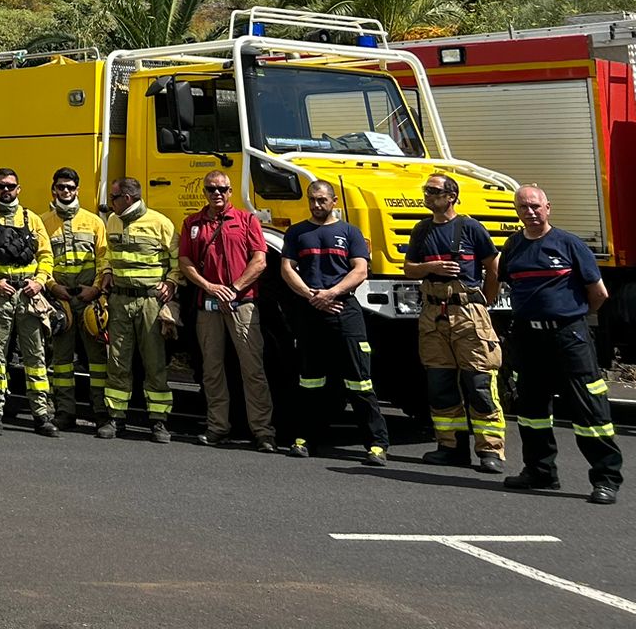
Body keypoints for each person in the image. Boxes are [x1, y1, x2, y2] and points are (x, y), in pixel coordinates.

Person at [500, 184, 621, 505]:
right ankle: (540, 471)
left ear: (548, 207)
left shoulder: (569, 244)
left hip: (569, 335)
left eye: (536, 206)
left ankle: (606, 478)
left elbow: (599, 294)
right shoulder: (513, 247)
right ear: (517, 211)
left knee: (589, 407)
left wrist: (572, 319)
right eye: (524, 207)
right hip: (528, 337)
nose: (531, 212)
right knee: (532, 409)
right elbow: (511, 286)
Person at [280, 180, 388, 466]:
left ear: (334, 200)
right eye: (312, 200)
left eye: (322, 200)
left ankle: (376, 445)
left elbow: (360, 269)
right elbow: (287, 269)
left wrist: (332, 293)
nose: (317, 205)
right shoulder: (297, 232)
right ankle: (305, 439)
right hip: (310, 309)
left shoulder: (350, 231)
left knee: (360, 381)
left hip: (345, 309)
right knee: (310, 380)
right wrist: (311, 295)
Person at [406, 171, 504, 472]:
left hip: (467, 315)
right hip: (433, 314)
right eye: (427, 191)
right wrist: (430, 266)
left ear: (451, 196)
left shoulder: (470, 227)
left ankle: (490, 451)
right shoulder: (421, 230)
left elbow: (493, 267)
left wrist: (483, 302)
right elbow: (409, 269)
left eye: (434, 191)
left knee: (479, 382)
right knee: (440, 383)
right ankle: (451, 447)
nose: (428, 196)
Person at [178, 170, 276, 452]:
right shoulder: (192, 223)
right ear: (204, 192)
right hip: (207, 305)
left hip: (242, 303)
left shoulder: (247, 220)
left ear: (231, 191)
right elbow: (185, 261)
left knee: (253, 369)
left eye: (222, 189)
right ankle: (217, 427)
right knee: (212, 370)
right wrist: (209, 287)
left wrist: (233, 289)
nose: (216, 194)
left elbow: (259, 261)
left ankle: (263, 431)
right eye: (211, 189)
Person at [0, 168, 57, 438]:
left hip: (29, 296)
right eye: (0, 187)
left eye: (10, 186)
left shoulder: (33, 219)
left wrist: (40, 281)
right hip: (0, 294)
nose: (5, 191)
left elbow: (46, 256)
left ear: (19, 188)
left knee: (36, 356)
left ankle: (41, 415)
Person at [101, 177, 179, 441]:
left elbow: (178, 259)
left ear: (128, 198)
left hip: (150, 302)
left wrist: (171, 282)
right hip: (120, 301)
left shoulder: (160, 223)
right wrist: (108, 271)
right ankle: (115, 419)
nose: (109, 202)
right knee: (117, 361)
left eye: (113, 198)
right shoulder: (112, 220)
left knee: (154, 362)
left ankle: (158, 422)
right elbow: (108, 255)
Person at [42, 167, 109, 432]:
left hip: (89, 300)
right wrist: (51, 286)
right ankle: (65, 412)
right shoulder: (43, 221)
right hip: (60, 301)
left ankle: (101, 413)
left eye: (70, 187)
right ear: (54, 189)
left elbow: (103, 259)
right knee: (61, 360)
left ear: (77, 190)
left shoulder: (94, 222)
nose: (66, 191)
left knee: (97, 360)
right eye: (61, 187)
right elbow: (40, 260)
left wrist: (95, 289)